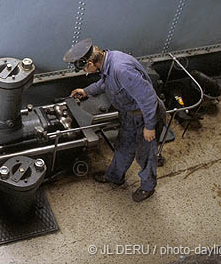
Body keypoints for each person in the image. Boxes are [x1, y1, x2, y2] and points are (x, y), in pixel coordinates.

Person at [63, 38, 166, 202]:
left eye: (84, 67)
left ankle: (148, 187)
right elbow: (106, 83)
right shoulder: (108, 61)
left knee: (145, 156)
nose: (85, 71)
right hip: (128, 114)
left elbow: (148, 99)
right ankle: (115, 177)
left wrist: (150, 126)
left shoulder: (121, 69)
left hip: (144, 116)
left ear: (91, 61)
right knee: (123, 147)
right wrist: (87, 91)